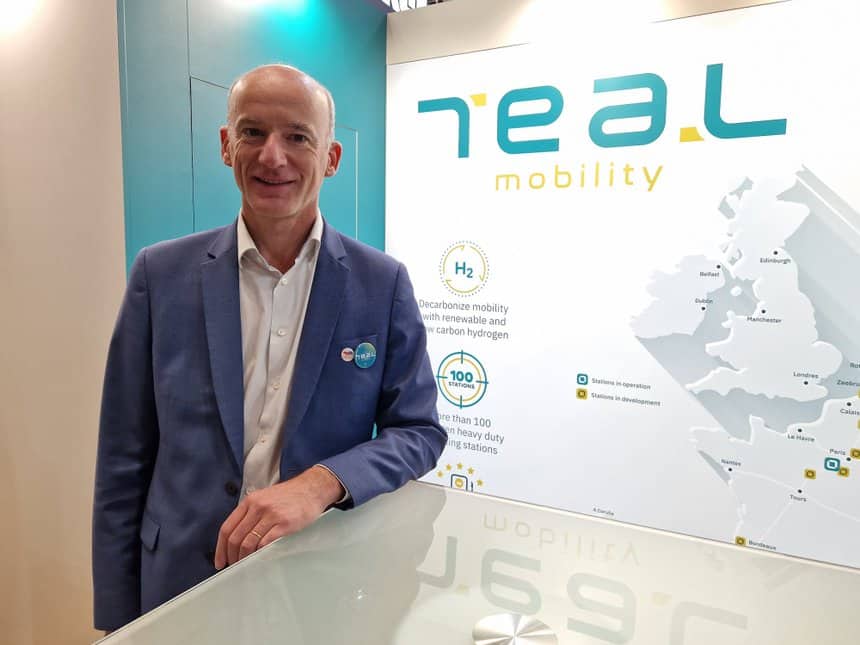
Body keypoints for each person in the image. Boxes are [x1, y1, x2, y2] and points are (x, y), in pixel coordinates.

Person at [92, 64, 446, 632]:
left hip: (318, 584)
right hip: (179, 583)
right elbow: (123, 455)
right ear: (226, 145)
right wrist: (118, 620)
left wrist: (321, 482)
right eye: (252, 132)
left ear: (330, 157)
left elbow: (419, 431)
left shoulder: (381, 285)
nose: (272, 156)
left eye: (298, 137)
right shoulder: (160, 275)